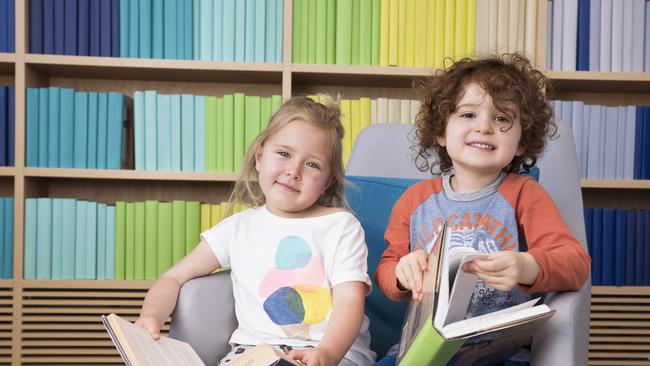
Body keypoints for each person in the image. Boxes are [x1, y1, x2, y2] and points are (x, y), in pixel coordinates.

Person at [374, 54, 591, 365]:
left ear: (520, 143)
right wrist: (401, 272)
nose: (485, 127)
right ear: (440, 132)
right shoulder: (415, 200)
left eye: (502, 118)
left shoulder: (525, 194)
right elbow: (386, 269)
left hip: (501, 355)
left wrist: (526, 266)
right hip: (423, 353)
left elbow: (575, 263)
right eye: (468, 115)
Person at [136, 96, 376, 366]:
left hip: (330, 354)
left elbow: (349, 300)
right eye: (284, 154)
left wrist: (328, 353)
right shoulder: (236, 229)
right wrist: (151, 317)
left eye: (312, 165)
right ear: (260, 157)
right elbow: (173, 278)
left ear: (328, 181)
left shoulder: (340, 226)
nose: (293, 171)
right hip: (254, 354)